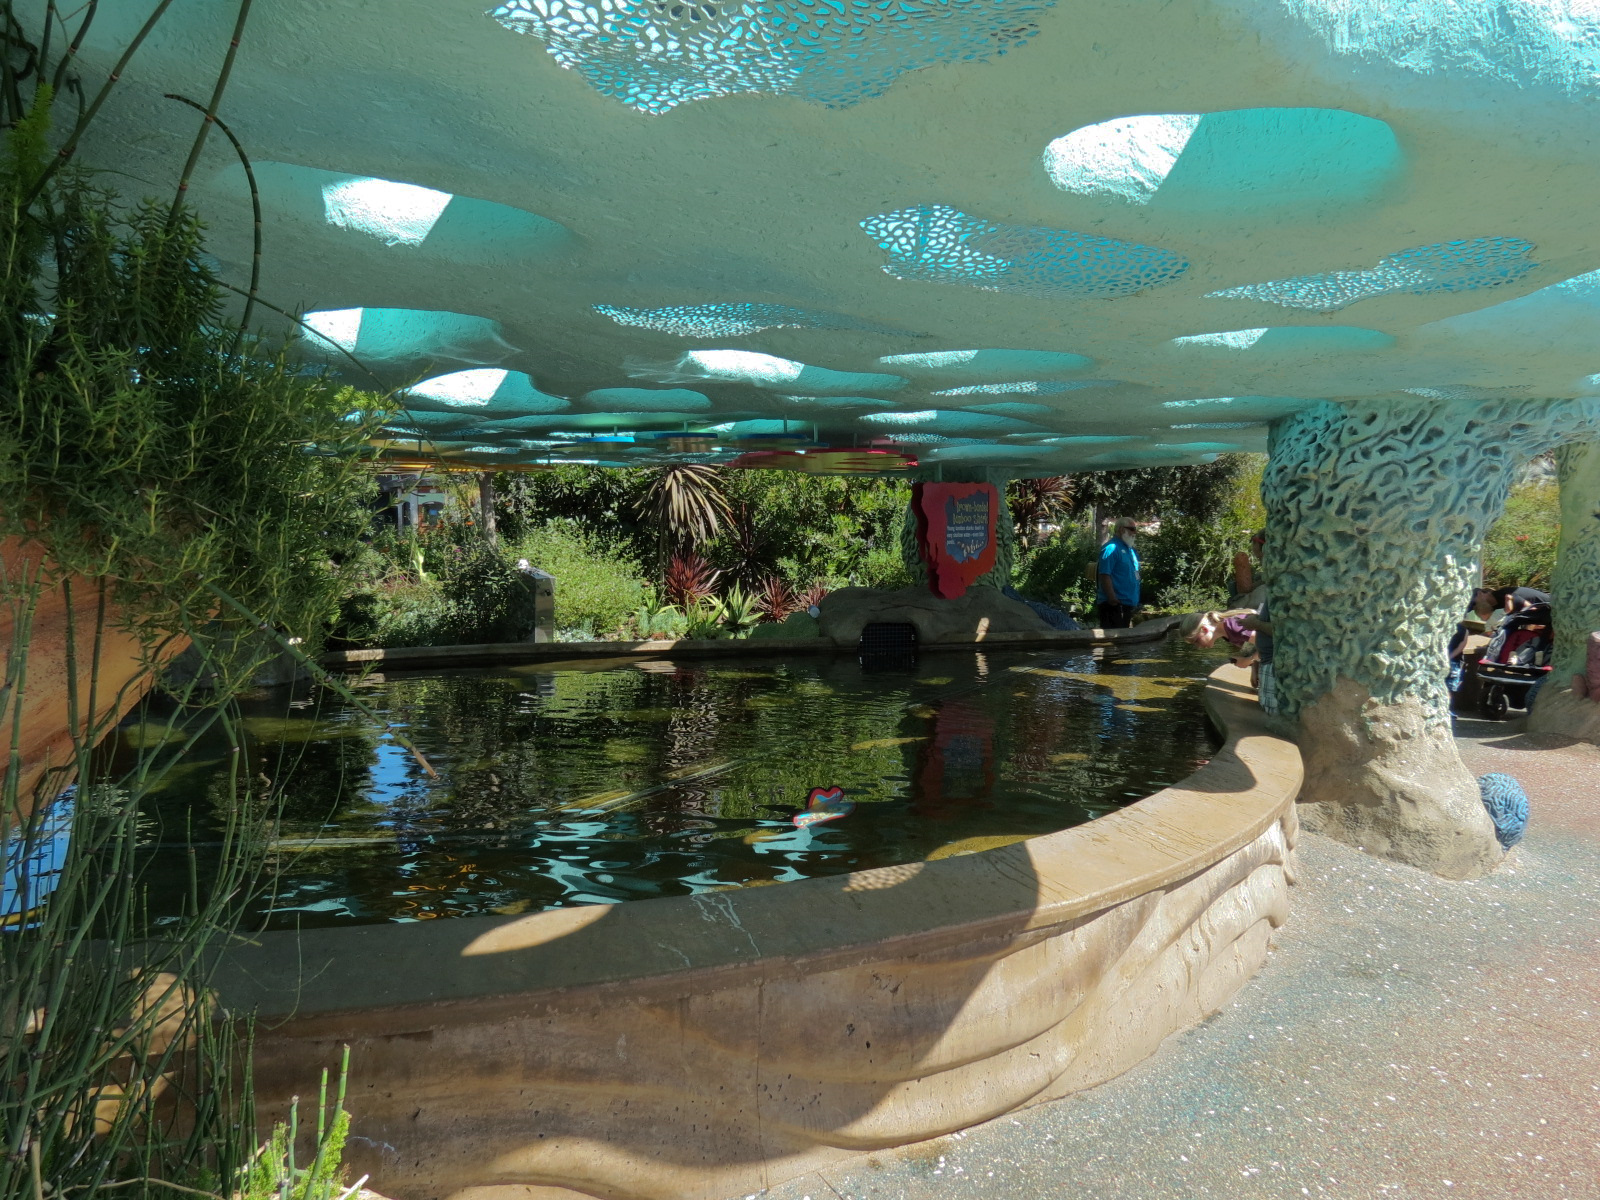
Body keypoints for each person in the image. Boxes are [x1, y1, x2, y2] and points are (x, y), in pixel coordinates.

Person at [1096, 517, 1141, 629]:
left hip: (1127, 604)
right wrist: (1112, 598)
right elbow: (1104, 574)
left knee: (1123, 641)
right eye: (1132, 529)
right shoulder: (1111, 548)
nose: (1135, 532)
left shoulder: (1129, 549)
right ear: (1121, 530)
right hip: (1114, 605)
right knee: (1113, 642)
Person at [1181, 608, 1263, 666]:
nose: (1198, 647)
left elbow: (1270, 643)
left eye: (1196, 641)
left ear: (1204, 629)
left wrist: (1248, 660)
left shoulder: (1235, 627)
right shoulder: (1226, 633)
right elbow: (1258, 647)